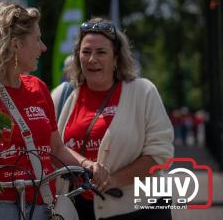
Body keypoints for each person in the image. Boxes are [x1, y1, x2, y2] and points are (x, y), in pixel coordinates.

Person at [0, 3, 109, 220]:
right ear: (16, 44)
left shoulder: (38, 88)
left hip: (42, 208)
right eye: (37, 39)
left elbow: (57, 149)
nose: (43, 47)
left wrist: (88, 165)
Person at [51, 17, 174, 220]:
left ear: (116, 58)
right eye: (86, 52)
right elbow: (48, 146)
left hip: (139, 211)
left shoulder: (143, 91)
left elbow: (160, 154)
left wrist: (114, 180)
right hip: (79, 210)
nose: (92, 59)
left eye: (101, 52)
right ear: (77, 56)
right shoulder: (62, 95)